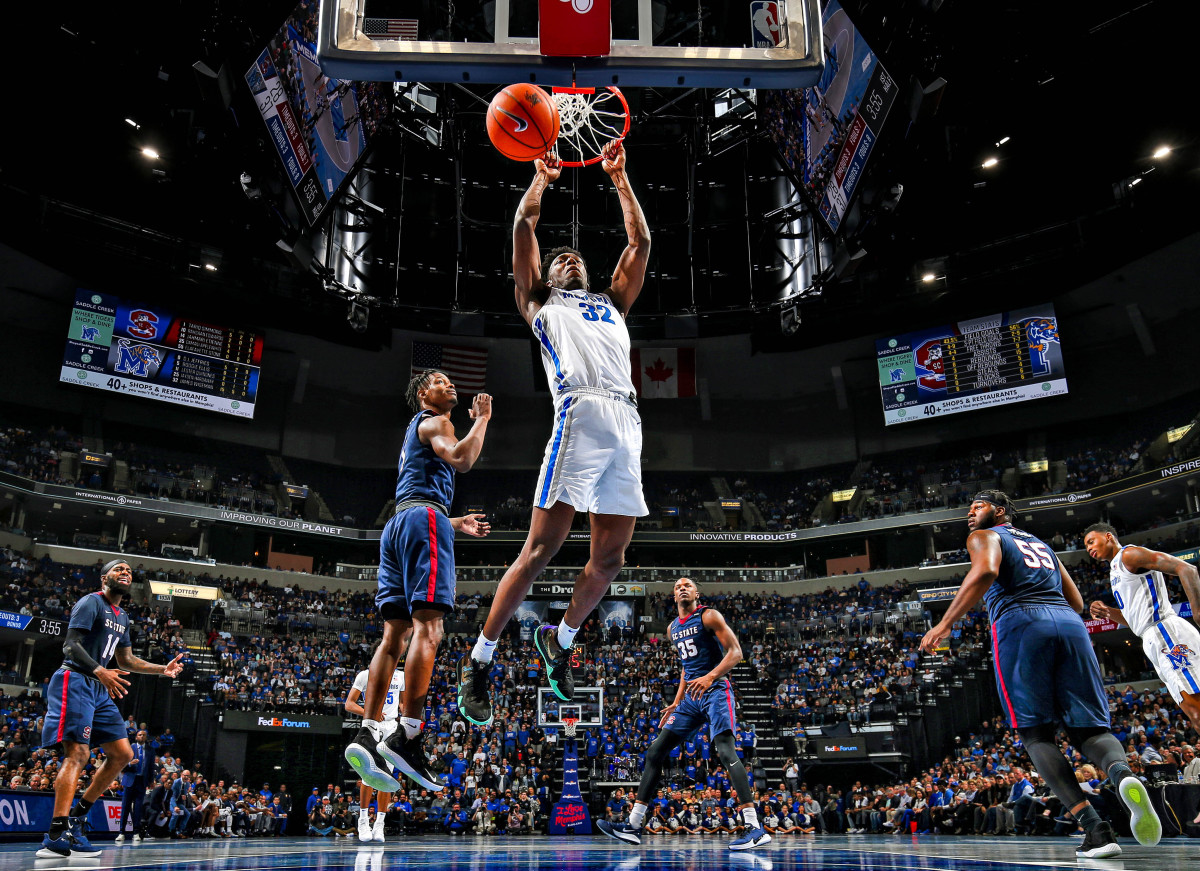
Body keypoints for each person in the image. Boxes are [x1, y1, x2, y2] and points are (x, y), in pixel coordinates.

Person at [458, 140, 651, 725]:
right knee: (541, 549)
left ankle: (560, 642)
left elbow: (640, 243)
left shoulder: (612, 301)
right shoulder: (540, 303)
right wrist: (540, 180)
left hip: (627, 421)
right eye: (559, 257)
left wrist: (620, 178)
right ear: (544, 276)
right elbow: (523, 225)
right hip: (579, 414)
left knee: (610, 559)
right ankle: (480, 660)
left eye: (576, 257)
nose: (569, 258)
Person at [919, 491, 1161, 859]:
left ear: (999, 511)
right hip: (1070, 626)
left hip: (1021, 623)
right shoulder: (1042, 545)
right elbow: (1077, 602)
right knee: (1090, 730)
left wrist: (945, 623)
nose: (970, 513)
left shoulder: (985, 536)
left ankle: (1096, 830)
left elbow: (986, 571)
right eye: (969, 508)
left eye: (978, 507)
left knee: (1035, 734)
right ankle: (1121, 773)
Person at [346, 370, 492, 793]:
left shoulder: (415, 431)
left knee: (393, 635)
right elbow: (462, 459)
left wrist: (455, 522)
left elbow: (417, 495)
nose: (451, 385)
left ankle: (368, 733)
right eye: (441, 381)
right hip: (423, 519)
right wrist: (482, 419)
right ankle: (407, 735)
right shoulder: (437, 421)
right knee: (430, 628)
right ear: (424, 393)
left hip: (398, 525)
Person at [597, 577, 771, 851]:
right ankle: (633, 825)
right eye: (678, 586)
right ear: (673, 595)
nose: (682, 588)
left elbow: (736, 652)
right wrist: (677, 701)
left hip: (715, 690)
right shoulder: (672, 629)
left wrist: (710, 676)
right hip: (691, 698)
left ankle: (754, 827)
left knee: (726, 752)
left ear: (696, 593)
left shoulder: (709, 616)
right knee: (655, 752)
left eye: (687, 585)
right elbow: (686, 667)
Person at [38, 559, 185, 858]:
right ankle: (56, 833)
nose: (125, 573)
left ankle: (77, 818)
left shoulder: (123, 616)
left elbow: (126, 661)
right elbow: (70, 645)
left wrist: (162, 669)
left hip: (98, 685)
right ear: (105, 578)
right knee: (78, 754)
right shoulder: (91, 602)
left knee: (123, 754)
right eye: (119, 569)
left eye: (129, 571)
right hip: (75, 679)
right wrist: (99, 670)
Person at [1082, 522, 1200, 734]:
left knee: (1197, 710)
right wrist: (1107, 611)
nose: (1089, 548)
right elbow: (1135, 621)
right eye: (1086, 546)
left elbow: (1187, 568)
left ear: (1108, 536)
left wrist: (1198, 612)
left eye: (1091, 541)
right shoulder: (1115, 570)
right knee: (1192, 713)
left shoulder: (1129, 555)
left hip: (1166, 631)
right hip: (1152, 637)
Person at [345, 645, 410, 842]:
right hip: (371, 724)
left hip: (391, 727)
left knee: (387, 777)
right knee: (368, 775)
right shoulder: (365, 675)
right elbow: (349, 704)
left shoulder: (400, 676)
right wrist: (369, 712)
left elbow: (402, 703)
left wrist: (406, 713)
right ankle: (363, 820)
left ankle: (380, 824)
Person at [115, 728, 150, 843]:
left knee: (138, 808)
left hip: (141, 781)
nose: (142, 736)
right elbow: (121, 764)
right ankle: (121, 833)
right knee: (125, 807)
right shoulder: (129, 748)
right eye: (140, 735)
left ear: (146, 737)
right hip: (130, 780)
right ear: (136, 737)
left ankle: (136, 833)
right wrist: (130, 763)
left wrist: (150, 781)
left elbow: (150, 767)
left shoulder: (150, 750)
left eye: (144, 735)